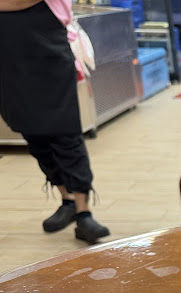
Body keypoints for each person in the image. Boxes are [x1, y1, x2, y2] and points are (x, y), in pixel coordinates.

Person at [0, 0, 110, 243]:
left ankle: (84, 214)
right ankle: (67, 200)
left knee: (65, 134)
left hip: (49, 56)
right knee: (34, 136)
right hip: (9, 64)